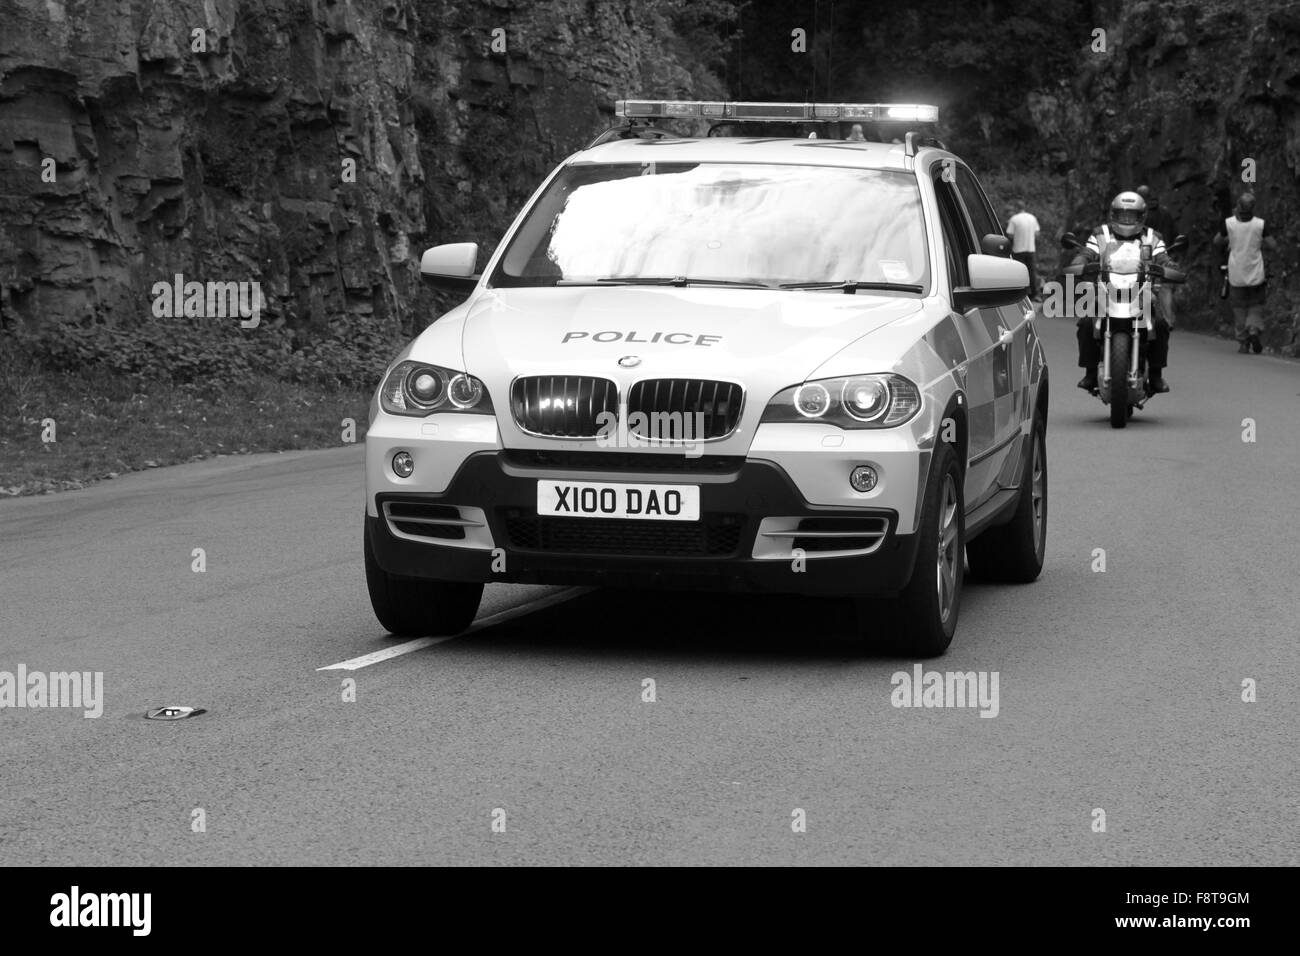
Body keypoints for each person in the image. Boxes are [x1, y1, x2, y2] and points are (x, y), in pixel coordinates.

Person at [1073, 190, 1178, 394]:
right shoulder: (1100, 234)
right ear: (1113, 215)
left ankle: (1156, 375)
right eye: (1122, 215)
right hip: (1106, 289)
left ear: (1142, 216)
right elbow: (1088, 252)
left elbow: (1162, 256)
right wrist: (1079, 262)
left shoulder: (1152, 237)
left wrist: (1169, 266)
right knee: (1086, 323)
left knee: (1160, 325)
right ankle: (1090, 372)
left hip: (1142, 291)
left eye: (1132, 215)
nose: (1127, 219)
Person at [1213, 191, 1275, 354]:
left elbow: (1217, 241)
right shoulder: (1260, 224)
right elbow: (1272, 244)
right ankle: (1253, 329)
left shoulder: (1229, 224)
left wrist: (1231, 240)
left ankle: (1243, 342)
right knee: (1256, 304)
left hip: (1236, 272)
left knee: (1239, 307)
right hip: (1255, 271)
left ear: (1238, 206)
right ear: (1253, 208)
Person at [1004, 200, 1041, 298]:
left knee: (1018, 273)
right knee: (1031, 272)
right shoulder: (1032, 218)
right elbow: (1037, 234)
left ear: (1016, 208)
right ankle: (1034, 294)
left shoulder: (1014, 219)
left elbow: (1010, 235)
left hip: (1018, 250)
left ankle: (1018, 294)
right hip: (1030, 249)